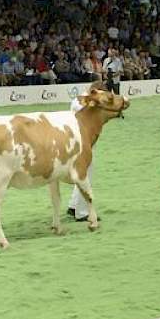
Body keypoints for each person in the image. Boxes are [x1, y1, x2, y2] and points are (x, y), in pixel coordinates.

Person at [67, 80, 106, 222]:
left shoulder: (80, 99)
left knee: (81, 174)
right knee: (85, 175)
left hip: (79, 140)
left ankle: (73, 206)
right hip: (81, 142)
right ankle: (82, 212)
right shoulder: (83, 102)